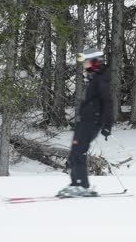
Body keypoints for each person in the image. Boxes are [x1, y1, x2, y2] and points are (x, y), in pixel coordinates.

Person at [57, 48, 113, 198]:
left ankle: (82, 186)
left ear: (95, 62)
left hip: (92, 122)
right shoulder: (94, 78)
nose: (84, 64)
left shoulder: (101, 79)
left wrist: (107, 125)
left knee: (78, 153)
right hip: (86, 121)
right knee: (74, 154)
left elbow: (108, 102)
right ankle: (77, 184)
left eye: (86, 61)